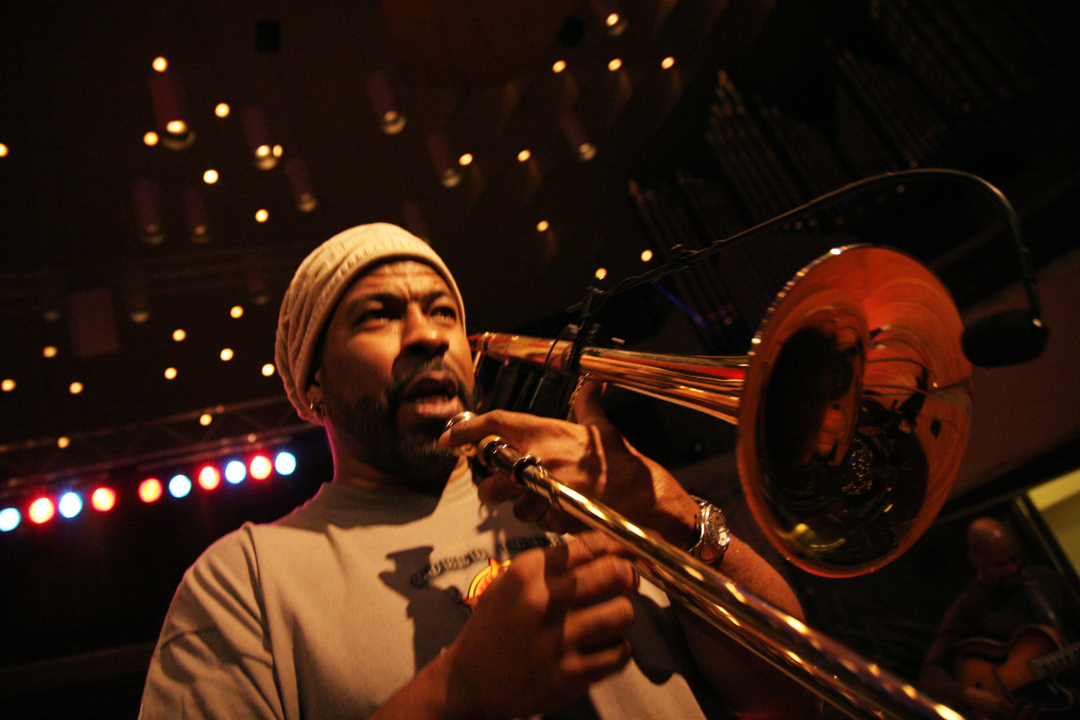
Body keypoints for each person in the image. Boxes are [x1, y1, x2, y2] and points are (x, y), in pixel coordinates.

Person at [139, 222, 817, 719]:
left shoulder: (589, 491)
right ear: (312, 385)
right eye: (378, 316)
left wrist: (669, 510)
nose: (430, 336)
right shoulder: (245, 578)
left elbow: (790, 695)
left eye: (443, 312)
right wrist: (458, 694)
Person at [920, 516, 1080, 720]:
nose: (1012, 568)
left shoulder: (1044, 578)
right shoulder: (969, 606)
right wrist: (971, 696)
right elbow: (931, 670)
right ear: (976, 559)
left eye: (1015, 559)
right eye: (999, 565)